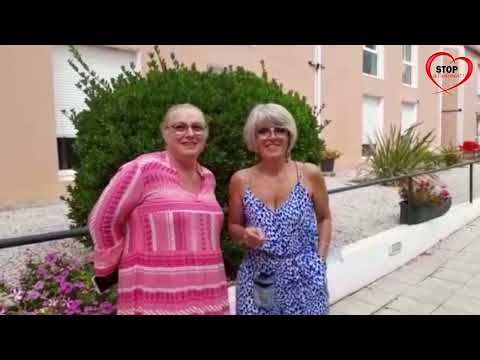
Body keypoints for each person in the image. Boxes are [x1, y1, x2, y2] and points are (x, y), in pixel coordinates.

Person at [88, 104, 230, 315]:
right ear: (165, 132)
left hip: (207, 291)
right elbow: (101, 221)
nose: (190, 133)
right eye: (180, 127)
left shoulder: (208, 177)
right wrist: (111, 268)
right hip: (155, 296)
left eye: (197, 127)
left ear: (206, 134)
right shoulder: (143, 168)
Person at [228, 103, 332, 315]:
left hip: (305, 275)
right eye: (263, 131)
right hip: (259, 276)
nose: (271, 136)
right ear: (253, 138)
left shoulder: (309, 174)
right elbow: (233, 226)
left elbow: (324, 218)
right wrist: (245, 234)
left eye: (279, 129)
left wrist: (319, 260)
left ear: (289, 135)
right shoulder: (241, 179)